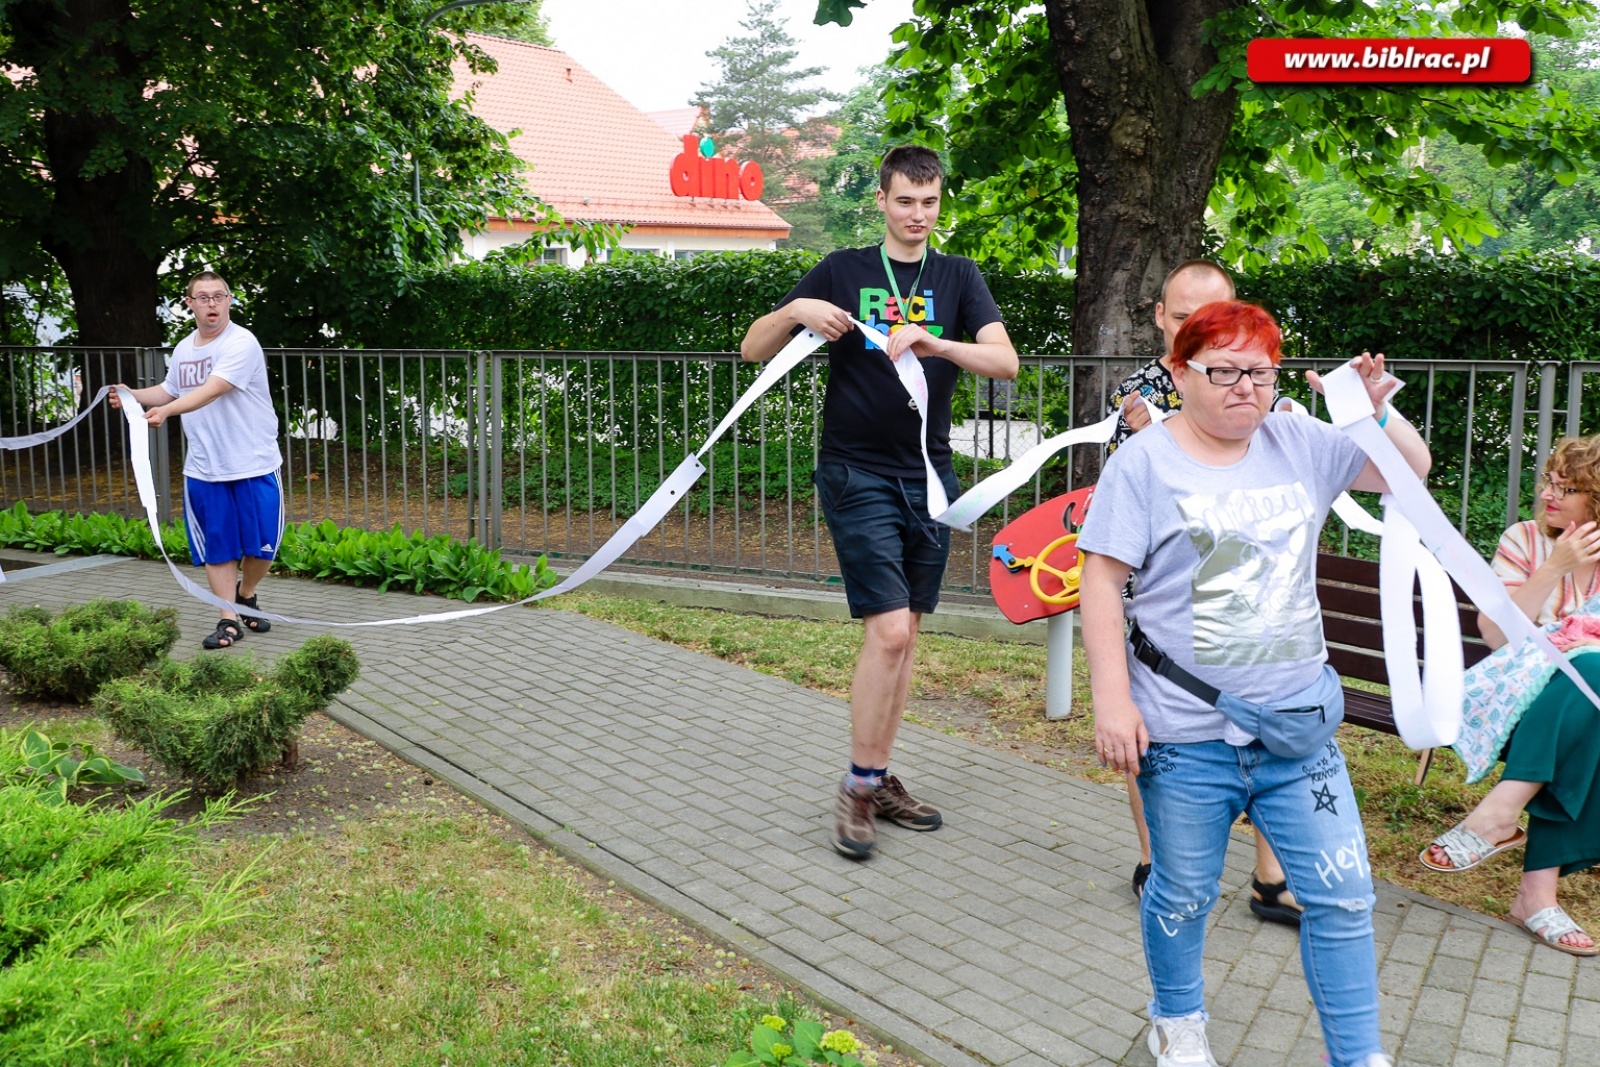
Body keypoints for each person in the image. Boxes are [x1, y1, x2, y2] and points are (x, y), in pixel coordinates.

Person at [1078, 300, 1427, 1067]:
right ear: (1179, 371)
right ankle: (1177, 1018)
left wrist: (1375, 413)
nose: (1245, 388)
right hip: (1183, 739)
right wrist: (1113, 698)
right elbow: (1100, 579)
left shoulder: (1297, 439)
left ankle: (1359, 1055)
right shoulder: (1144, 462)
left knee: (1343, 897)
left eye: (1261, 372)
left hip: (1298, 733)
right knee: (1183, 893)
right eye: (1224, 370)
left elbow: (1409, 472)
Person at [740, 145, 1019, 860]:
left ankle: (880, 772)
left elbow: (1004, 361)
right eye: (905, 201)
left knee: (907, 639)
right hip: (855, 472)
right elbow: (752, 348)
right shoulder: (844, 268)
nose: (917, 215)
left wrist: (937, 343)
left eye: (929, 203)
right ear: (882, 200)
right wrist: (797, 307)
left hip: (929, 476)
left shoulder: (958, 276)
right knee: (889, 632)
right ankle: (858, 787)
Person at [1106, 261, 1302, 927]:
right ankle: (1159, 857)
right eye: (1183, 313)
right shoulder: (1137, 391)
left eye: (1211, 310)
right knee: (1152, 730)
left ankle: (1272, 873)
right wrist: (1145, 443)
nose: (1197, 325)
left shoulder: (1257, 379)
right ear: (1161, 318)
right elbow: (1117, 513)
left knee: (1271, 722)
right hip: (1165, 604)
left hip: (1251, 595)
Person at [1420, 435, 1600, 955]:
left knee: (1590, 683)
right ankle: (1535, 895)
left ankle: (1501, 816)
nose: (1550, 494)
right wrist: (1555, 567)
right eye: (1549, 480)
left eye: (1568, 488)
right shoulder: (1524, 540)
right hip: (1513, 703)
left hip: (1579, 711)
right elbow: (1497, 638)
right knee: (1588, 687)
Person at [112, 271, 283, 650]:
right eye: (202, 297)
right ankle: (228, 618)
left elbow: (212, 389)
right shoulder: (185, 347)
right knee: (217, 547)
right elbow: (170, 389)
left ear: (230, 300)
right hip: (205, 467)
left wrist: (168, 412)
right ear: (189, 303)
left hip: (253, 462)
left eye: (218, 296)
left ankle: (247, 594)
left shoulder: (242, 343)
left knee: (263, 547)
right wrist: (133, 395)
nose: (211, 304)